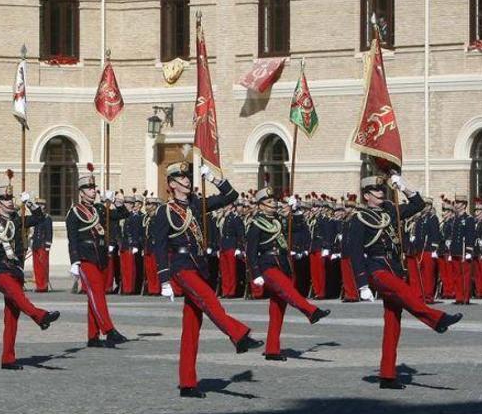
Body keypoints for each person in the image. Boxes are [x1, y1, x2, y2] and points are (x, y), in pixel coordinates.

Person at [150, 162, 263, 398]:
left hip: (199, 267)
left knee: (191, 329)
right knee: (211, 300)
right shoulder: (165, 211)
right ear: (172, 184)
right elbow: (159, 247)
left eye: (188, 177)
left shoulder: (196, 205)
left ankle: (187, 383)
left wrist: (213, 178)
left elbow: (230, 196)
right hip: (181, 268)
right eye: (182, 178)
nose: (188, 181)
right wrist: (163, 279)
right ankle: (239, 335)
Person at [347, 175, 462, 389]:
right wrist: (362, 284)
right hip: (377, 268)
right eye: (375, 190)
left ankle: (387, 374)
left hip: (395, 266)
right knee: (404, 290)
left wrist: (404, 187)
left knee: (393, 324)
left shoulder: (391, 210)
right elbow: (355, 252)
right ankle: (437, 320)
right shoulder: (359, 218)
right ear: (366, 195)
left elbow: (417, 205)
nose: (381, 192)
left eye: (382, 189)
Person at [0, 180, 60, 369]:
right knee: (19, 296)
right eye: (5, 199)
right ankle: (40, 316)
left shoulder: (17, 219)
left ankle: (7, 359)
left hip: (16, 271)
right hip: (1, 271)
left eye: (10, 198)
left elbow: (40, 218)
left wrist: (30, 203)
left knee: (11, 319)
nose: (9, 201)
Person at [246, 188, 331, 361]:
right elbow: (251, 251)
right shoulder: (256, 224)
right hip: (267, 266)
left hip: (283, 265)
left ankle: (272, 349)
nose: (274, 205)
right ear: (261, 206)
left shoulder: (279, 220)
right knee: (289, 291)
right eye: (269, 203)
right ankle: (311, 311)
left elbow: (299, 230)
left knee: (277, 310)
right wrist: (255, 273)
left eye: (274, 202)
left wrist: (296, 210)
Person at [65, 164, 129, 348]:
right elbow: (73, 239)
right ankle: (109, 330)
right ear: (81, 192)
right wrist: (74, 261)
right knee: (97, 294)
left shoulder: (99, 210)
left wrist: (117, 202)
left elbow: (122, 214)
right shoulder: (75, 212)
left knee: (95, 296)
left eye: (94, 188)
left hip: (100, 256)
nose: (93, 192)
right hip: (85, 258)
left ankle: (93, 336)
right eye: (89, 189)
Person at [444, 194, 476, 305]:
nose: (456, 205)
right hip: (455, 250)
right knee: (456, 275)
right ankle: (459, 297)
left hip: (464, 250)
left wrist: (469, 251)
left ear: (464, 205)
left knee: (465, 276)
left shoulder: (469, 219)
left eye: (458, 203)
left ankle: (465, 298)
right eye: (456, 203)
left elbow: (470, 235)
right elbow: (452, 235)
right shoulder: (455, 219)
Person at [30, 199, 52, 292]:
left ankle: (43, 286)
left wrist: (48, 244)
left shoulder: (47, 218)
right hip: (36, 244)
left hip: (43, 245)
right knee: (36, 267)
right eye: (38, 205)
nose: (40, 206)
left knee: (43, 266)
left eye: (41, 205)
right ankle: (39, 285)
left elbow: (49, 232)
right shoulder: (36, 217)